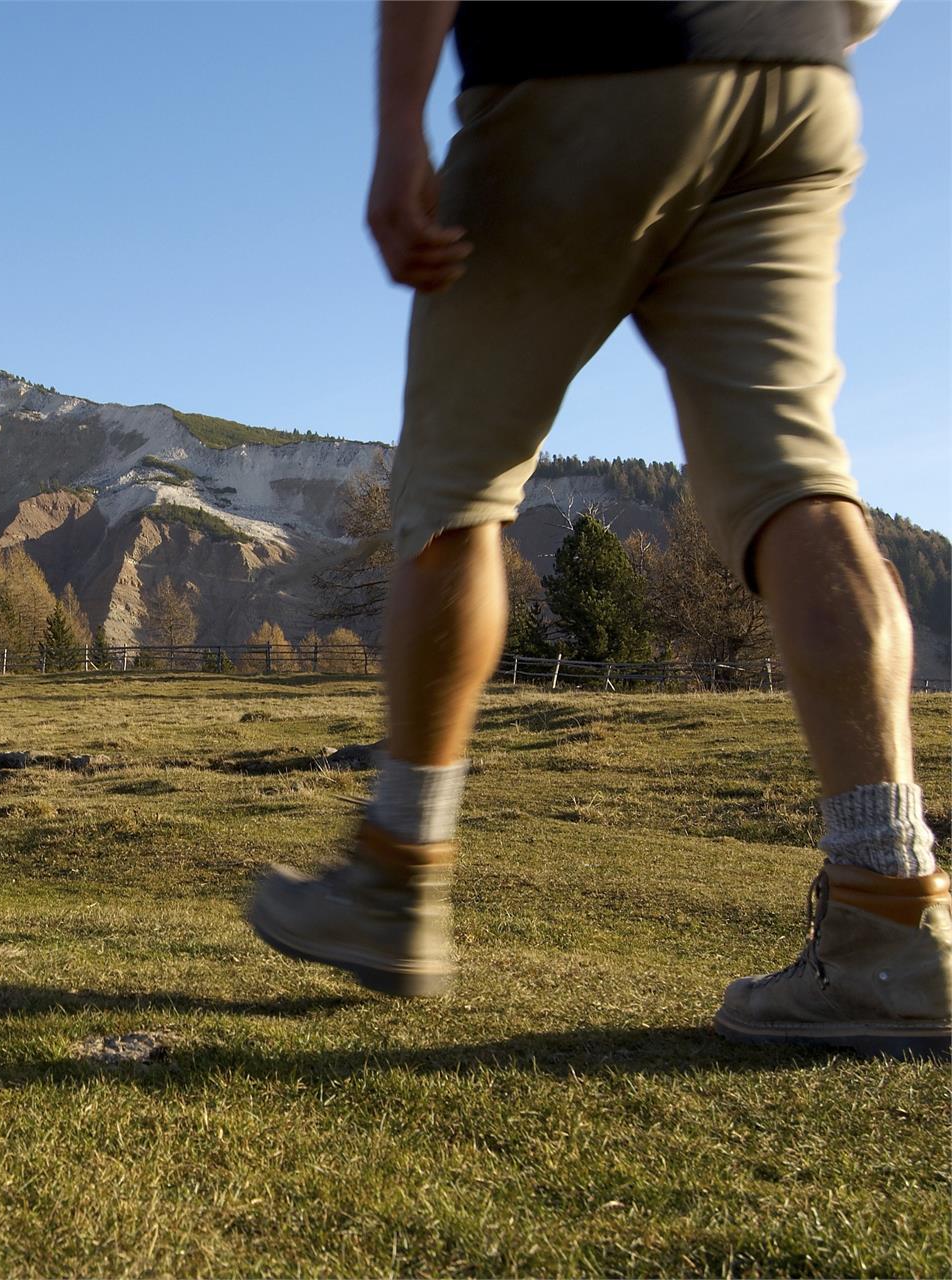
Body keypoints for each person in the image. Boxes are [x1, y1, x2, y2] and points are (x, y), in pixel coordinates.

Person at [245, 0, 949, 1057]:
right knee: (798, 476)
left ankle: (396, 872)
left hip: (579, 67)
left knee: (455, 487)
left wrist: (398, 130)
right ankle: (890, 915)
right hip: (799, 78)